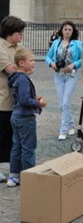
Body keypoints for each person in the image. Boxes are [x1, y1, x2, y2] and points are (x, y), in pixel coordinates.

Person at [7, 48, 47, 187]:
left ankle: (14, 176)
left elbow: (20, 96)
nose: (34, 63)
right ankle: (29, 176)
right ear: (22, 63)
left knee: (16, 146)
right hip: (25, 118)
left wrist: (33, 97)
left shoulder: (16, 77)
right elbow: (24, 100)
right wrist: (38, 103)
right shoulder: (23, 79)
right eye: (31, 60)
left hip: (16, 116)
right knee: (28, 148)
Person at [45, 20, 82, 140]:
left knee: (66, 101)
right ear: (62, 30)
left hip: (71, 75)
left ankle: (63, 128)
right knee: (61, 103)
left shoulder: (77, 44)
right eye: (65, 29)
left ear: (73, 31)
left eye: (69, 29)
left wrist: (74, 65)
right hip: (59, 75)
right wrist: (51, 64)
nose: (67, 31)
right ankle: (70, 124)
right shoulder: (56, 43)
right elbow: (48, 57)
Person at [0, 16, 26, 183]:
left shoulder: (20, 47)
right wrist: (23, 67)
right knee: (0, 135)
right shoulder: (0, 47)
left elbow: (27, 65)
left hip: (18, 101)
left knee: (15, 138)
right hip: (2, 99)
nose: (22, 36)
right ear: (10, 32)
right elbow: (11, 69)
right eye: (19, 33)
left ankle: (14, 170)